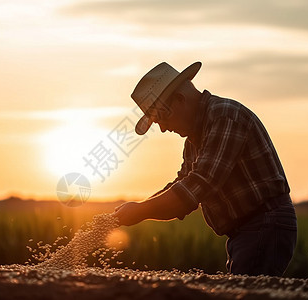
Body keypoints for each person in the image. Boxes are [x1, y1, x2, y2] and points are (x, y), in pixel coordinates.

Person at [112, 61, 297, 276]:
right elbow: (182, 185)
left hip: (265, 224)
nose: (162, 128)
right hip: (246, 231)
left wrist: (140, 211)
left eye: (161, 118)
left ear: (180, 100)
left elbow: (199, 185)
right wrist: (139, 208)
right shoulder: (194, 139)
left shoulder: (224, 117)